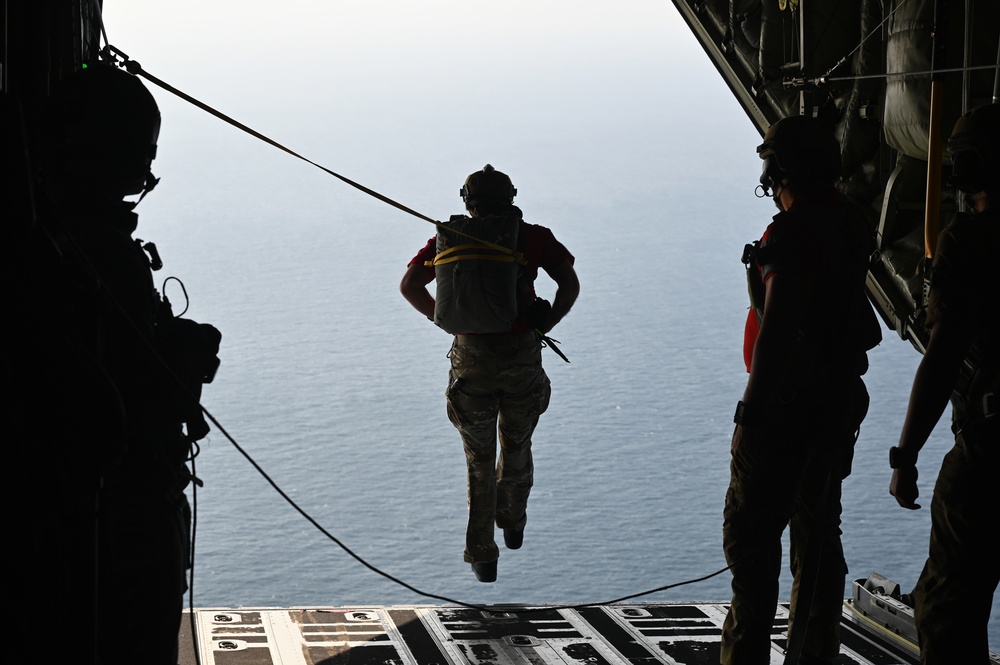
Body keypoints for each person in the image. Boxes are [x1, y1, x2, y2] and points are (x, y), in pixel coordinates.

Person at [12, 64, 220, 665]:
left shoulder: (44, 238)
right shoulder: (98, 254)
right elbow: (122, 400)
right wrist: (183, 357)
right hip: (120, 507)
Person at [721, 115, 881, 664]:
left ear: (778, 167)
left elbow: (780, 331)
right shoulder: (850, 221)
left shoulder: (791, 234)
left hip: (786, 409)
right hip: (834, 405)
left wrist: (749, 417)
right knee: (817, 538)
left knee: (751, 545)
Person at [400, 165, 579, 583]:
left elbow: (410, 285)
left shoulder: (448, 237)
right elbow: (568, 283)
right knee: (517, 445)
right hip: (520, 358)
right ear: (511, 197)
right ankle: (512, 521)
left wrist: (445, 322)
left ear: (468, 201)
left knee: (478, 461)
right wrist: (545, 324)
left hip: (470, 361)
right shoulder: (533, 237)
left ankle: (483, 555)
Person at [888, 103, 999, 665]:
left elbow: (942, 357)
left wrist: (905, 455)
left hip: (990, 453)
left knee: (948, 608)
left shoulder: (969, 241)